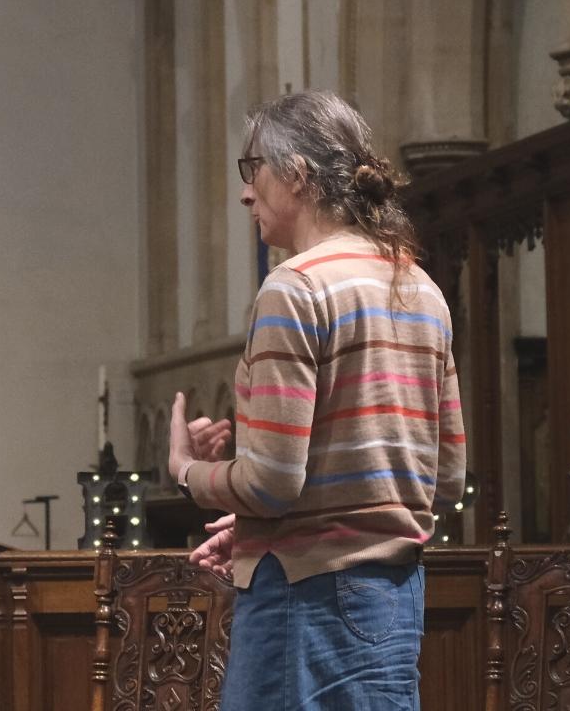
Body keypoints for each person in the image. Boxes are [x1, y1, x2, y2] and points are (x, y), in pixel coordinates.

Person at [168, 90, 466, 711]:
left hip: (305, 601)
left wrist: (188, 471)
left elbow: (275, 483)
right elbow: (445, 479)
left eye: (255, 170)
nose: (247, 193)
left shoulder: (296, 287)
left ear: (297, 175)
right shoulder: (422, 288)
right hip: (394, 596)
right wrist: (266, 529)